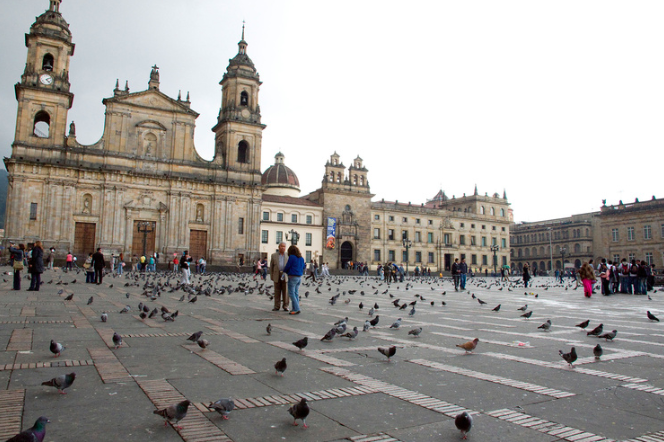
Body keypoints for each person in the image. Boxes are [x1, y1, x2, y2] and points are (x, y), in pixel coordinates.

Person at [283, 245, 306, 315]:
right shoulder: (301, 258)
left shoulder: (292, 257)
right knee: (296, 293)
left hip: (292, 276)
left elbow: (288, 266)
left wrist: (284, 271)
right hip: (299, 277)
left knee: (291, 293)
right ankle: (294, 308)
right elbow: (304, 266)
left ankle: (296, 308)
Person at [269, 242, 289, 312]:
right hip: (277, 274)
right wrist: (271, 275)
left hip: (285, 275)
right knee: (277, 291)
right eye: (281, 246)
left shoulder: (288, 255)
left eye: (284, 246)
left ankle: (285, 306)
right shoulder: (274, 255)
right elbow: (271, 266)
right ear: (279, 247)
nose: (283, 248)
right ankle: (276, 306)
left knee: (285, 291)